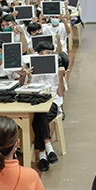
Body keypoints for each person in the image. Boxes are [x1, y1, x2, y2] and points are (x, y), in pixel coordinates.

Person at [26, 41, 68, 171]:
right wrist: (28, 77)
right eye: (47, 53)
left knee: (39, 117)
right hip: (36, 101)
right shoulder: (32, 68)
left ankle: (43, 154)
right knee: (39, 114)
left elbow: (61, 92)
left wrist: (61, 77)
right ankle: (47, 147)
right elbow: (26, 89)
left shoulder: (57, 69)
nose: (51, 55)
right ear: (39, 54)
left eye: (52, 53)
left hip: (53, 103)